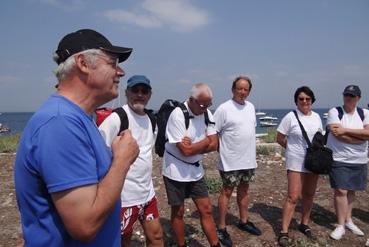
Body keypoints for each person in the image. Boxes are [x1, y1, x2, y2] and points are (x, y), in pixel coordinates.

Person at [14, 29, 140, 246]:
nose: (121, 71)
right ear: (82, 63)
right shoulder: (60, 123)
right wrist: (122, 161)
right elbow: (84, 225)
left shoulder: (80, 117)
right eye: (112, 63)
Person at [98, 75, 164, 247]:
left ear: (150, 94)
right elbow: (98, 153)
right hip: (123, 198)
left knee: (156, 236)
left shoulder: (152, 119)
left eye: (144, 91)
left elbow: (146, 151)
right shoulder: (117, 118)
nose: (139, 94)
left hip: (147, 193)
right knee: (122, 240)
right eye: (135, 90)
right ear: (127, 92)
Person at [162, 83, 221, 247]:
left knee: (206, 209)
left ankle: (215, 245)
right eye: (202, 104)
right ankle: (181, 244)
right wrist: (205, 142)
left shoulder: (207, 113)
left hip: (196, 170)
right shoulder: (178, 115)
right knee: (178, 211)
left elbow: (215, 144)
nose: (205, 108)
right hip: (175, 170)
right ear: (191, 100)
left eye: (209, 104)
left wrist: (195, 145)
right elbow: (184, 152)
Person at [213, 76, 261, 247]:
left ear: (249, 91)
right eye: (239, 88)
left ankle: (244, 220)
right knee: (227, 191)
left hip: (248, 159)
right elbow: (214, 132)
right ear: (233, 89)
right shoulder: (224, 108)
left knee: (244, 190)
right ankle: (221, 227)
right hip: (230, 161)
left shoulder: (251, 107)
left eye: (245, 89)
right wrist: (222, 151)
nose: (242, 92)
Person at [276, 86, 323, 246]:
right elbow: (280, 138)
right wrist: (292, 149)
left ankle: (304, 223)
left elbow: (319, 138)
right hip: (295, 162)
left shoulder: (316, 117)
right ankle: (283, 231)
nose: (304, 101)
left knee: (309, 194)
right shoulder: (290, 116)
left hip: (313, 162)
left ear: (312, 100)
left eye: (307, 98)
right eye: (301, 98)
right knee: (293, 196)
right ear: (296, 101)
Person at [326, 85, 369, 240]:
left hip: (359, 160)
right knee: (341, 191)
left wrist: (346, 130)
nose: (348, 98)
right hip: (339, 158)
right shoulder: (335, 112)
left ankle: (348, 219)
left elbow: (368, 133)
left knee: (351, 191)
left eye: (352, 95)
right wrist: (360, 138)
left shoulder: (364, 113)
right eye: (346, 95)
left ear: (358, 98)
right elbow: (337, 135)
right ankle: (340, 225)